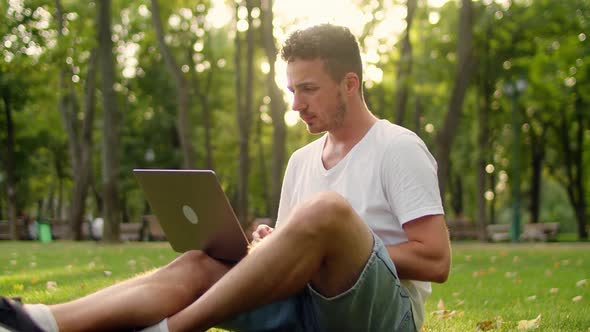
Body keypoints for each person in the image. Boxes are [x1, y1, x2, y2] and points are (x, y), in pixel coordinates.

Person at [0, 24, 450, 332]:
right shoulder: (302, 161)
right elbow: (296, 246)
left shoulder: (397, 147)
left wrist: (330, 245)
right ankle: (44, 320)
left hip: (383, 316)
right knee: (200, 262)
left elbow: (436, 260)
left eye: (308, 89)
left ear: (350, 84)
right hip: (307, 308)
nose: (296, 104)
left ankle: (176, 328)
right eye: (291, 90)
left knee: (327, 211)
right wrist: (278, 242)